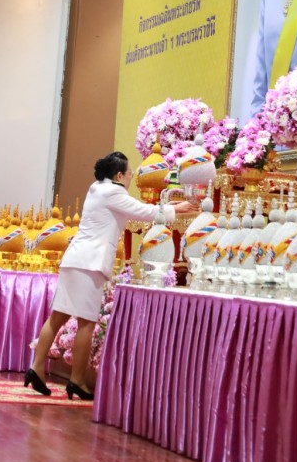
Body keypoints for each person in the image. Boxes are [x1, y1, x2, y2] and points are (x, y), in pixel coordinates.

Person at [25, 152, 195, 400]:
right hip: (89, 264)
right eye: (129, 173)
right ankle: (77, 380)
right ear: (118, 175)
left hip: (75, 260)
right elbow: (143, 211)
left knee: (57, 316)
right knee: (87, 322)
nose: (131, 177)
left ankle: (36, 368)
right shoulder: (114, 193)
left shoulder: (96, 188)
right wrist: (174, 208)